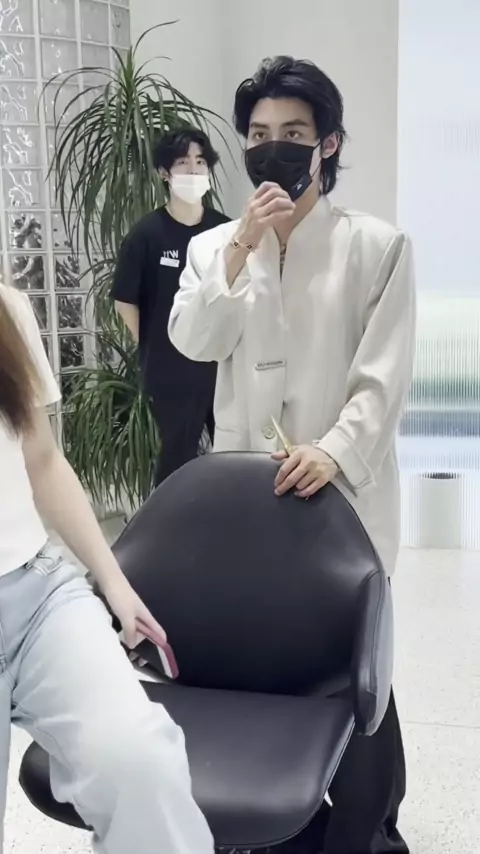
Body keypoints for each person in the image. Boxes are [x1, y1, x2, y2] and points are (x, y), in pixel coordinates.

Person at [169, 56, 416, 854]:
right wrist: (240, 249)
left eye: (294, 133)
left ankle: (368, 833)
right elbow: (194, 339)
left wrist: (334, 451)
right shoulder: (215, 248)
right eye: (258, 134)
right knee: (261, 658)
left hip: (340, 496)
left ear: (327, 144)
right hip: (246, 499)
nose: (272, 148)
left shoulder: (375, 246)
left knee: (352, 674)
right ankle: (275, 830)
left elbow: (383, 379)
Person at [0, 280, 214, 854]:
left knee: (141, 764)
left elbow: (42, 459)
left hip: (37, 595)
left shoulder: (6, 308)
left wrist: (114, 584)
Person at [112, 127, 230, 486]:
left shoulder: (225, 231)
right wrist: (155, 345)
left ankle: (231, 516)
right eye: (183, 163)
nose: (193, 170)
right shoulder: (146, 235)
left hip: (222, 364)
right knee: (177, 457)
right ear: (164, 173)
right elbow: (125, 301)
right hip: (172, 369)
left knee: (233, 454)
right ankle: (169, 521)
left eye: (200, 162)